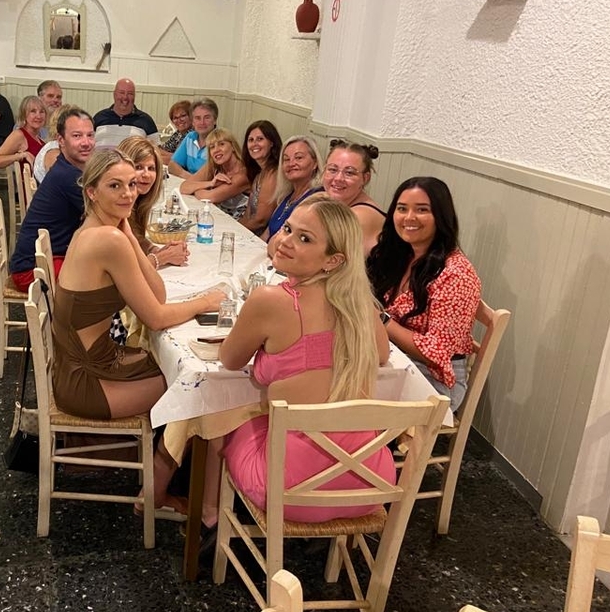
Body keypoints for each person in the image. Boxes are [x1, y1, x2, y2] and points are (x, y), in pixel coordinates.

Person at [150, 197, 392, 523]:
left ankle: (207, 513)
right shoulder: (360, 302)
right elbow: (382, 355)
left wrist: (264, 344)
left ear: (333, 260)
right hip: (369, 482)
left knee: (222, 411)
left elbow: (230, 360)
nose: (285, 241)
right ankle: (206, 510)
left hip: (290, 489)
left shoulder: (271, 300)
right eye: (288, 229)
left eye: (304, 238)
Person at [52, 149, 225, 420]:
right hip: (87, 382)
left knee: (177, 368)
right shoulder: (107, 239)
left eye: (131, 184)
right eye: (114, 185)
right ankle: (164, 462)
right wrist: (207, 301)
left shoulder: (98, 229)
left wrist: (130, 235)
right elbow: (156, 317)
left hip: (78, 367)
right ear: (92, 192)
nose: (128, 193)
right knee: (202, 387)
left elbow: (158, 294)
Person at [366, 177, 481, 410]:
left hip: (435, 383)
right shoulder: (402, 254)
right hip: (393, 357)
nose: (409, 218)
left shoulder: (456, 274)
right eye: (402, 209)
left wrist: (381, 320)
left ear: (441, 216)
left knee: (345, 387)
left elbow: (435, 353)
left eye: (422, 210)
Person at [8, 106, 95, 291]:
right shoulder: (67, 176)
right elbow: (107, 215)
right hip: (31, 269)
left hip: (51, 256)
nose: (86, 142)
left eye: (90, 135)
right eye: (77, 136)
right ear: (61, 141)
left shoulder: (69, 169)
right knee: (103, 275)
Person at [121, 136, 188, 269]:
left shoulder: (139, 202)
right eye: (138, 167)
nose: (146, 174)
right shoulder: (115, 206)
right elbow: (125, 269)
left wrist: (156, 250)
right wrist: (163, 257)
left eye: (151, 168)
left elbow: (136, 239)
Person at [322, 139, 385, 256]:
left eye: (349, 173)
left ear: (366, 178)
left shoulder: (360, 217)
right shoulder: (323, 198)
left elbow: (333, 265)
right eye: (332, 170)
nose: (338, 178)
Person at [262, 136, 322, 249]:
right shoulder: (288, 196)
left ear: (315, 163)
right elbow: (266, 235)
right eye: (286, 159)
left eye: (299, 158)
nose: (291, 163)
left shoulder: (316, 199)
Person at [179, 128, 250, 218]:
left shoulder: (243, 174)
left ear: (233, 147)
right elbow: (184, 187)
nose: (216, 150)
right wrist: (210, 183)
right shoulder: (213, 166)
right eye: (212, 147)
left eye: (221, 144)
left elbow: (209, 197)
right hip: (218, 217)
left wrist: (196, 190)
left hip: (240, 225)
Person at [238, 121, 282, 236]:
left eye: (260, 139)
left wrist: (234, 230)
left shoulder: (274, 174)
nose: (254, 144)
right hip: (250, 234)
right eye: (250, 140)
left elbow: (260, 220)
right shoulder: (259, 175)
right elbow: (248, 214)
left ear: (271, 143)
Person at [0, 96, 46, 172]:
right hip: (30, 182)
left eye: (42, 112)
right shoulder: (19, 135)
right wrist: (21, 155)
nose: (38, 116)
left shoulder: (40, 139)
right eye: (33, 111)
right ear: (24, 115)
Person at [168, 98, 217, 177]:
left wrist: (192, 181)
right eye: (197, 118)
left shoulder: (220, 141)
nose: (202, 122)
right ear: (193, 122)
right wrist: (190, 178)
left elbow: (210, 177)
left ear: (215, 120)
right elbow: (172, 166)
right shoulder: (190, 137)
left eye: (207, 117)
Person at [92, 78, 158, 136]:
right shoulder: (99, 118)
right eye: (122, 93)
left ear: (134, 96)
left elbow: (156, 148)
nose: (125, 97)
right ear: (114, 94)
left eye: (130, 93)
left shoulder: (145, 120)